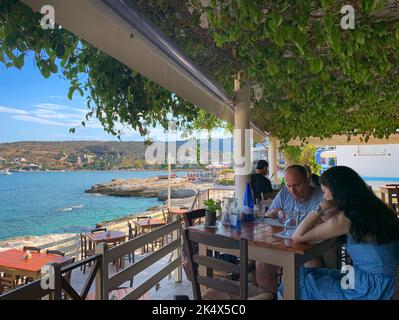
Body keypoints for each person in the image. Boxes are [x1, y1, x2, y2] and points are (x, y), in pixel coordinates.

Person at [292, 166, 399, 300]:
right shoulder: (370, 208)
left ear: (337, 191)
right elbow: (327, 223)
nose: (324, 196)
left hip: (369, 289)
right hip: (384, 282)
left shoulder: (347, 218)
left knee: (297, 280)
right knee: (311, 274)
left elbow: (298, 236)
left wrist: (322, 206)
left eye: (325, 191)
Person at [256, 165, 326, 297]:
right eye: (288, 186)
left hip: (308, 247)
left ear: (308, 179)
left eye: (297, 185)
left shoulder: (321, 195)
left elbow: (327, 224)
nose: (292, 191)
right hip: (283, 244)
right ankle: (270, 296)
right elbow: (268, 217)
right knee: (261, 262)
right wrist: (272, 214)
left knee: (313, 266)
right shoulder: (284, 193)